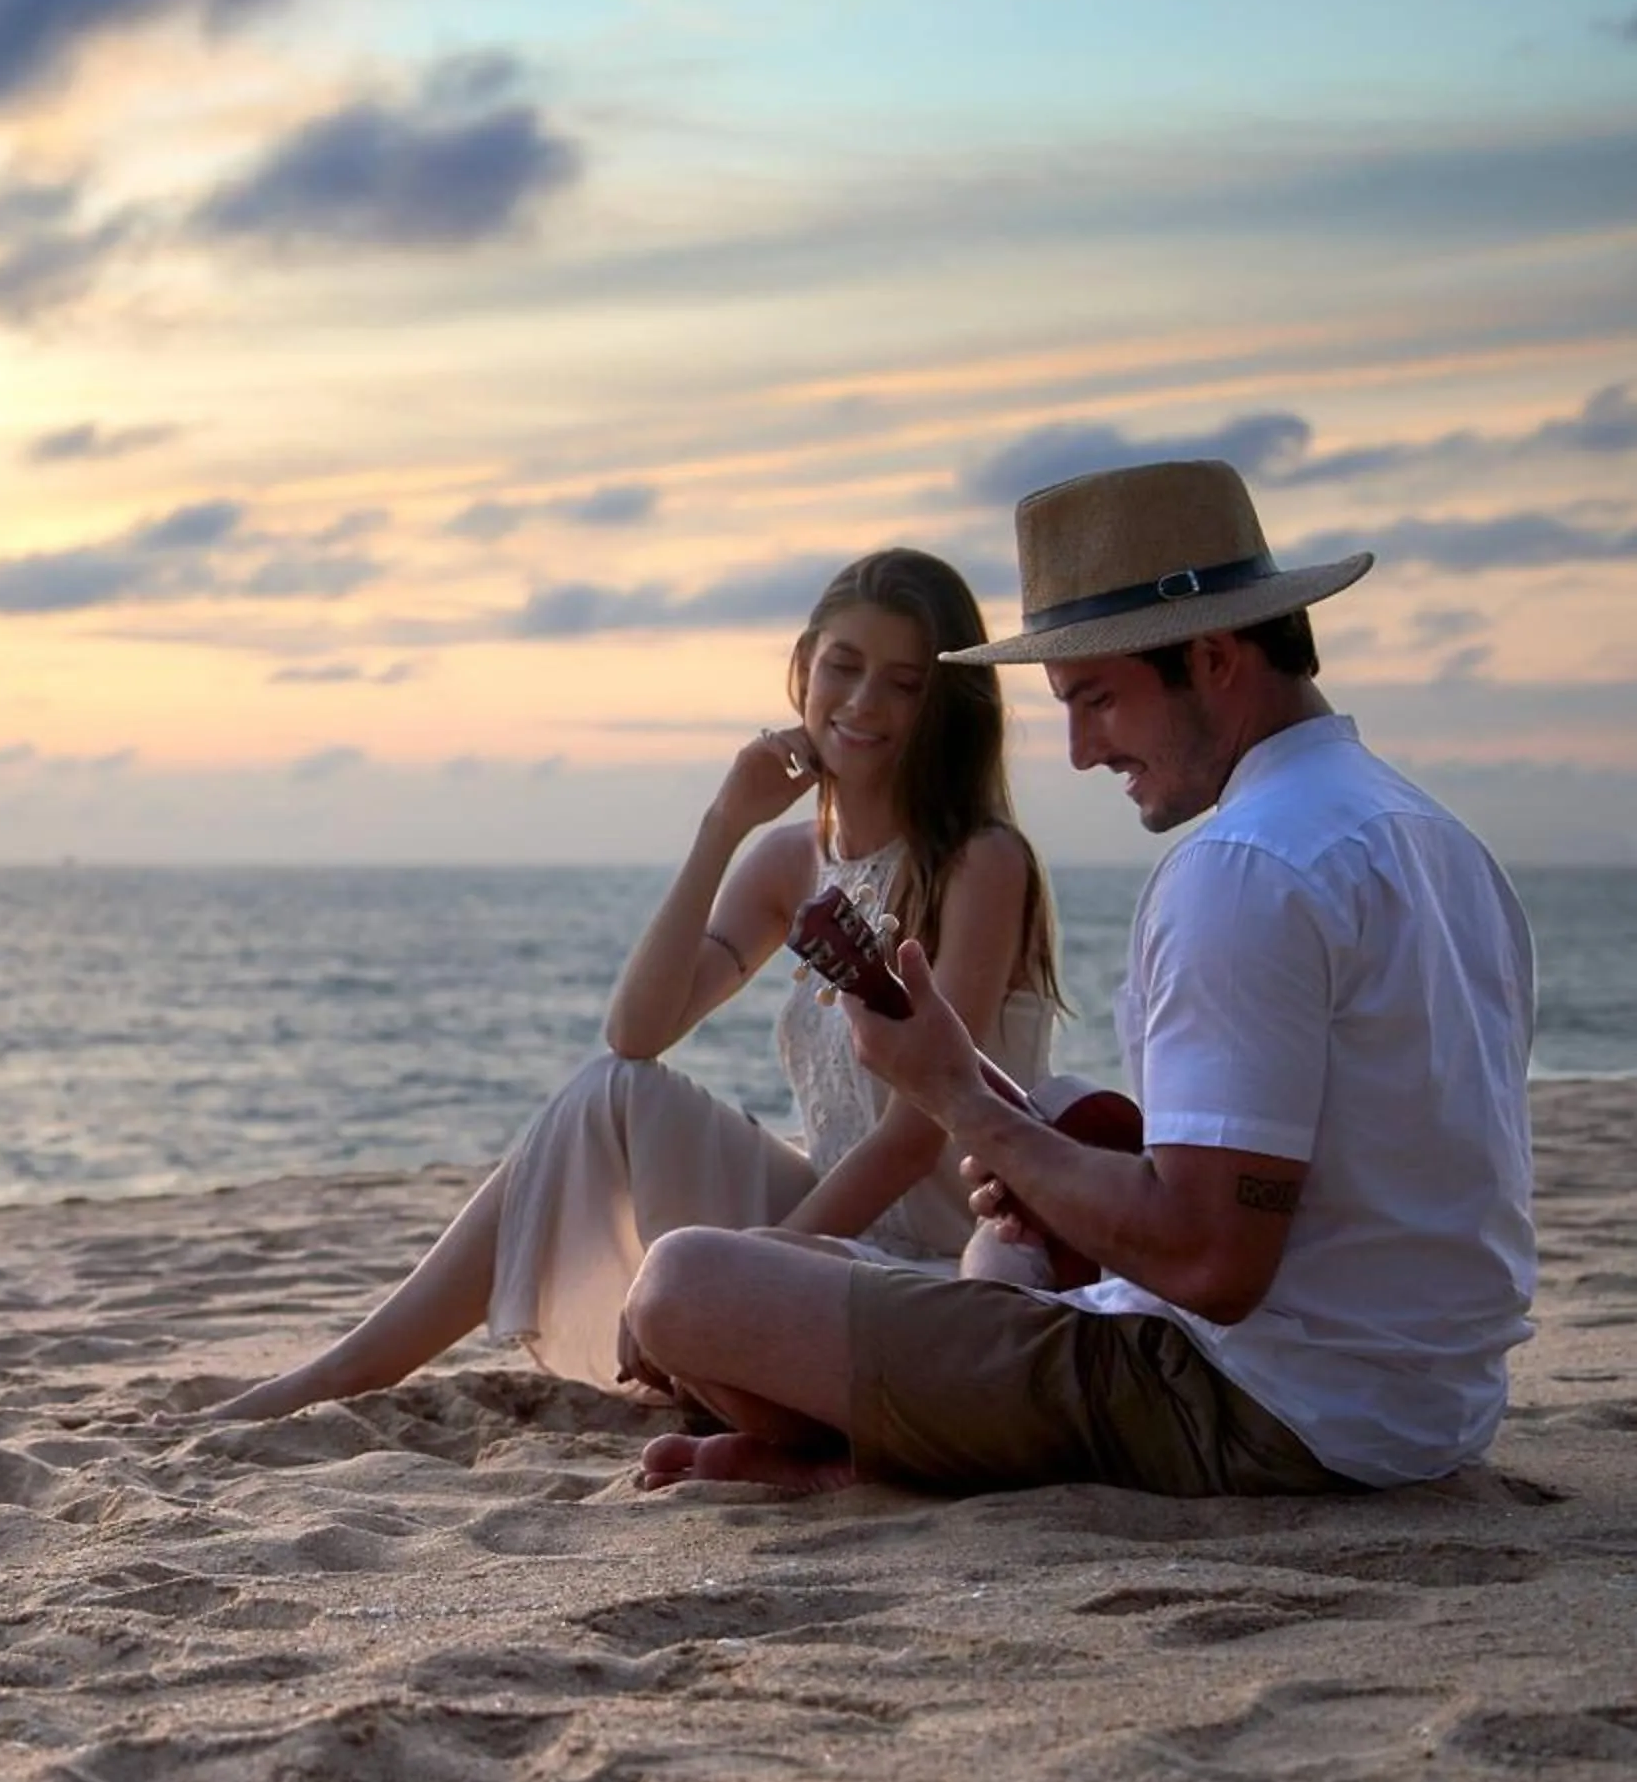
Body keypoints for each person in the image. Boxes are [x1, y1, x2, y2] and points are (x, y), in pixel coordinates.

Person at [625, 459, 1536, 1497]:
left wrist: (961, 1098)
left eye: (1099, 699)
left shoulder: (1242, 867)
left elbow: (1210, 1264)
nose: (1080, 750)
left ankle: (862, 1462)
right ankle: (862, 1451)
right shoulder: (1435, 838)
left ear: (1214, 657)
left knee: (685, 1284)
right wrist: (1062, 1179)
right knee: (813, 1270)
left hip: (1257, 1401)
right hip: (1430, 1403)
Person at [204, 547, 1064, 1423]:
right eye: (844, 667)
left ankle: (715, 1338)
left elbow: (914, 1138)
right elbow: (637, 1033)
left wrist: (756, 1257)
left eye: (904, 684)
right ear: (805, 666)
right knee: (611, 1089)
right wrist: (723, 824)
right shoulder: (789, 861)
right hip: (830, 1232)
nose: (864, 702)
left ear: (944, 705)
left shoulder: (980, 863)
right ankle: (346, 1370)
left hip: (955, 1262)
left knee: (722, 1249)